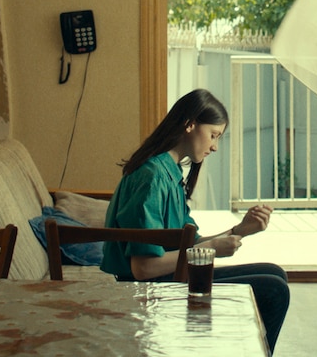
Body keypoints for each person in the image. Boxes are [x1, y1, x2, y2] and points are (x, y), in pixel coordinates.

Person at [101, 88, 290, 353]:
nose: (215, 146)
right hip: (150, 288)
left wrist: (241, 230)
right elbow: (142, 268)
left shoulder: (169, 171)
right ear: (189, 124)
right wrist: (211, 250)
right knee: (273, 289)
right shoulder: (152, 177)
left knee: (275, 273)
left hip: (170, 276)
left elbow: (190, 243)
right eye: (213, 135)